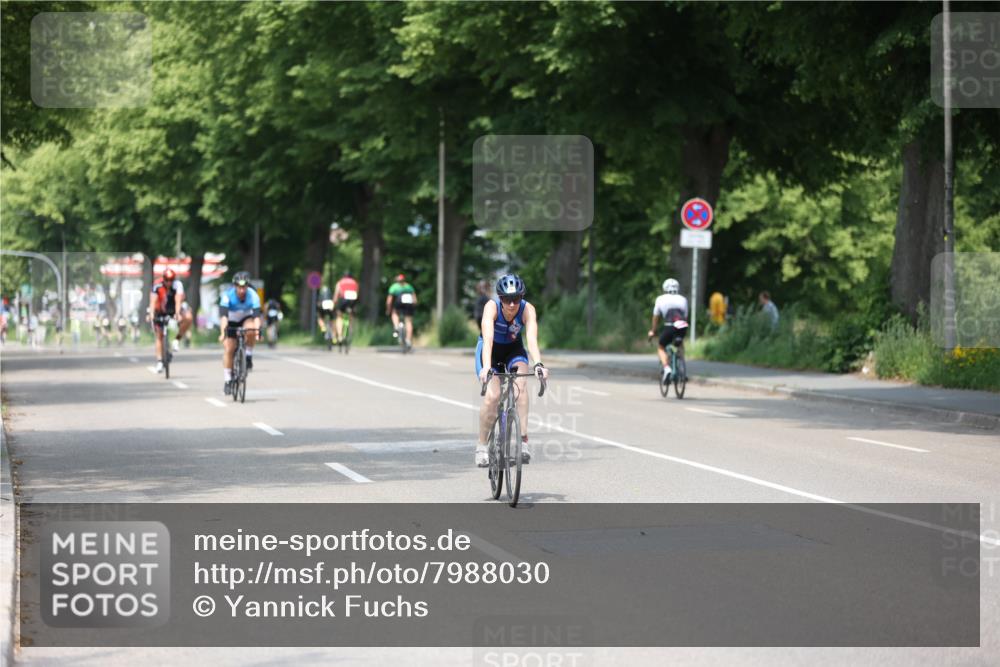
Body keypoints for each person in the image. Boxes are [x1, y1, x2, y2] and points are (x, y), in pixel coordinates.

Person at [475, 274, 548, 467]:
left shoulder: (527, 309)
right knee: (493, 396)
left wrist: (538, 364)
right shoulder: (491, 307)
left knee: (521, 388)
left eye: (516, 298)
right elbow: (488, 339)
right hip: (490, 351)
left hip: (514, 350)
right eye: (507, 299)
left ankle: (523, 441)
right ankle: (482, 446)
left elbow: (531, 340)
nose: (512, 304)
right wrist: (487, 368)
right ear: (500, 298)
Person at [218, 271, 261, 395]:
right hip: (230, 320)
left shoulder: (253, 295)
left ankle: (248, 355)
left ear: (247, 286)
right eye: (239, 287)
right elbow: (224, 318)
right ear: (235, 286)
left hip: (245, 319)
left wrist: (257, 333)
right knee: (229, 348)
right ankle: (227, 380)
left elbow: (257, 317)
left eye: (244, 287)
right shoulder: (227, 296)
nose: (242, 290)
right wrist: (223, 333)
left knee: (252, 329)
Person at [147, 268, 192, 372]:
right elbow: (153, 301)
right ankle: (159, 361)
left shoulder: (177, 285)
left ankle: (177, 339)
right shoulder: (157, 285)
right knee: (159, 335)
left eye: (171, 280)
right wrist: (152, 314)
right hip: (160, 310)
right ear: (163, 279)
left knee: (189, 317)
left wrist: (177, 313)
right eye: (167, 280)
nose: (169, 282)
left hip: (173, 308)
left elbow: (178, 300)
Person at [647, 278, 689, 383]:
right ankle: (683, 370)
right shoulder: (683, 299)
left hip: (669, 326)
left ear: (664, 289)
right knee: (680, 343)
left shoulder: (660, 299)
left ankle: (667, 369)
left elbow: (656, 317)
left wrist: (653, 330)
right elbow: (685, 316)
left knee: (661, 347)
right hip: (682, 326)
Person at [385, 273, 417, 349]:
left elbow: (389, 301)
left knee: (394, 313)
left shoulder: (394, 287)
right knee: (408, 321)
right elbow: (415, 300)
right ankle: (408, 340)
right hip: (409, 304)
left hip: (398, 303)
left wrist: (388, 309)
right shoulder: (409, 286)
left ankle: (396, 327)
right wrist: (413, 307)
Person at [332, 270, 359, 344]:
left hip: (343, 300)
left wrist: (334, 304)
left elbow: (336, 295)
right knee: (351, 316)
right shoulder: (355, 282)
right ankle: (350, 333)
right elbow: (357, 293)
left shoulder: (340, 282)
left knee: (339, 316)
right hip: (353, 301)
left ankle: (340, 336)